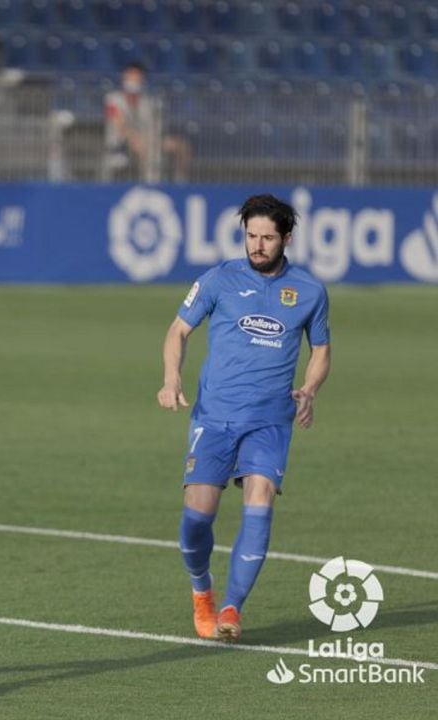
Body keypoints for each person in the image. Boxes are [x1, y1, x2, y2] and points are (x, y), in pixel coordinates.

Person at [157, 194, 331, 642]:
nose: (257, 245)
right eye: (251, 236)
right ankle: (203, 591)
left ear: (286, 238)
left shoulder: (310, 291)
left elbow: (321, 351)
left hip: (270, 421)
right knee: (198, 518)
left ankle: (232, 607)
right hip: (214, 417)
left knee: (260, 503)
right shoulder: (219, 280)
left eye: (267, 238)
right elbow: (178, 330)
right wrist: (172, 378)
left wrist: (309, 389)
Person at [104, 61, 191, 182]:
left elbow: (156, 127)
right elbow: (119, 124)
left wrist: (154, 140)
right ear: (124, 77)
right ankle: (151, 183)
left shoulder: (150, 101)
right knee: (145, 148)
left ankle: (180, 181)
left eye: (137, 77)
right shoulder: (113, 99)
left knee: (181, 146)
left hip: (148, 140)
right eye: (131, 76)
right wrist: (134, 138)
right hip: (122, 143)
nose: (134, 80)